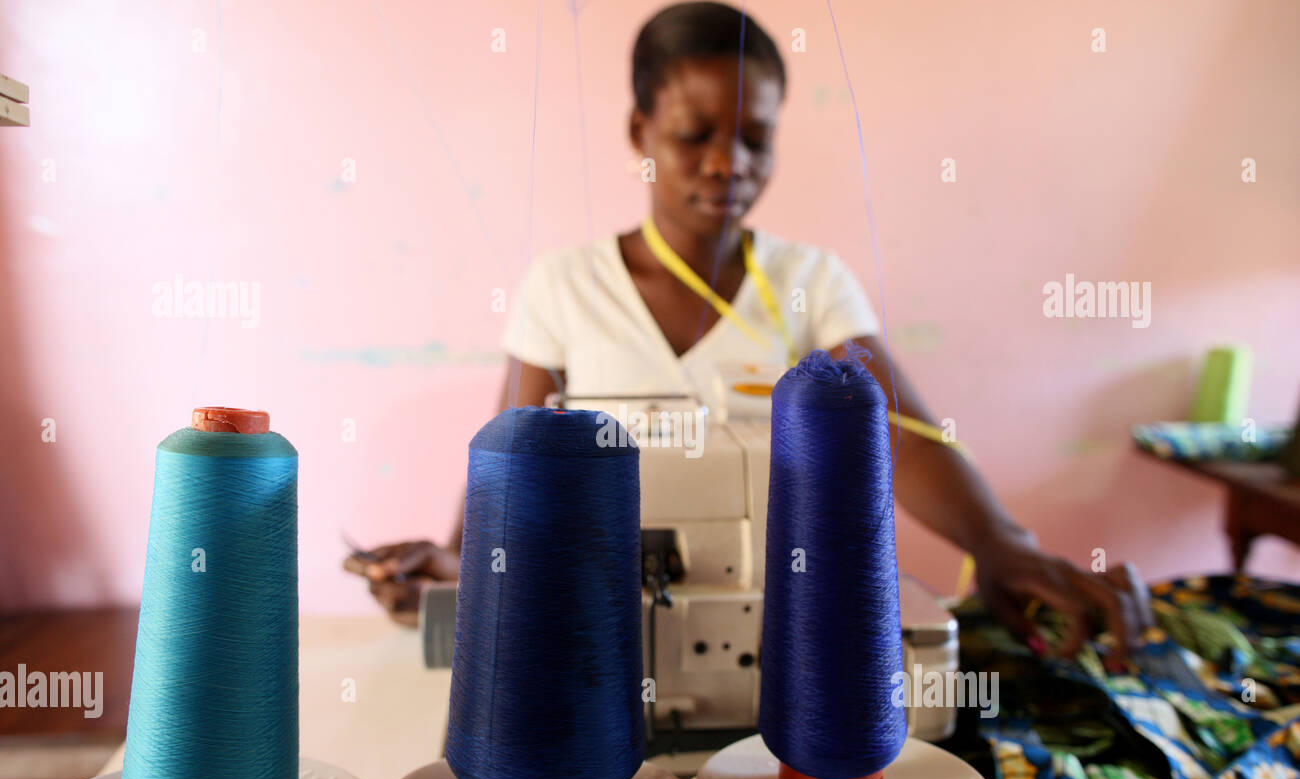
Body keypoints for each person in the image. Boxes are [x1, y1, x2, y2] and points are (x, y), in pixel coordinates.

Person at [347, 1, 1153, 663]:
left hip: (773, 634)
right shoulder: (564, 286)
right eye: (695, 134)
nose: (728, 162)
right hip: (595, 634)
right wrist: (458, 569)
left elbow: (899, 437)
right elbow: (511, 464)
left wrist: (1006, 545)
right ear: (640, 133)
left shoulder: (811, 285)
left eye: (754, 137)